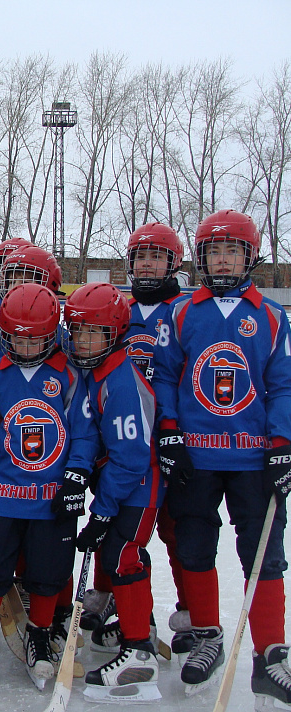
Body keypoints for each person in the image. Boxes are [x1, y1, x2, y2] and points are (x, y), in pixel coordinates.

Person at [153, 210, 291, 705]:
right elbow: (166, 375)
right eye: (214, 251)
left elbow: (283, 386)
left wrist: (282, 443)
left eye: (232, 251)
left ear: (250, 257)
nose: (223, 260)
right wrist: (169, 429)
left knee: (264, 554)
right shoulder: (184, 312)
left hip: (254, 460)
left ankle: (270, 653)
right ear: (202, 258)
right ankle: (205, 634)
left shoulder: (273, 317)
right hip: (197, 455)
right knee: (193, 544)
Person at [0, 283, 97, 693]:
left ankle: (40, 634)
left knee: (47, 573)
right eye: (16, 338)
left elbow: (82, 434)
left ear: (51, 334)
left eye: (34, 339)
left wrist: (76, 475)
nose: (25, 346)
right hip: (3, 495)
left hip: (51, 498)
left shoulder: (68, 375)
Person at [80, 223, 192, 660]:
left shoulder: (182, 312)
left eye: (156, 256)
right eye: (140, 256)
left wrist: (171, 431)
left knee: (173, 532)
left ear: (174, 263)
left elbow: (180, 378)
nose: (147, 263)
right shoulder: (118, 309)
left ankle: (191, 614)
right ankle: (115, 603)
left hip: (169, 440)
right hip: (122, 439)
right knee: (120, 526)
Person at [61, 282, 165, 703]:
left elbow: (131, 457)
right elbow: (86, 431)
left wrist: (102, 512)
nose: (83, 341)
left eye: (94, 333)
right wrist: (78, 472)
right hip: (119, 485)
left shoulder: (121, 381)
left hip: (137, 488)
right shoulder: (94, 372)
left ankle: (139, 652)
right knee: (115, 554)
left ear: (116, 333)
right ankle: (137, 626)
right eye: (77, 331)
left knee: (122, 554)